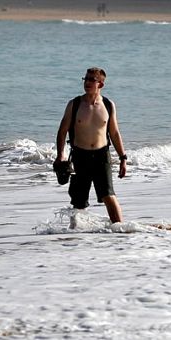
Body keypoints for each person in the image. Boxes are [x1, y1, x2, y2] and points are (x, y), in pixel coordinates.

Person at [55, 67, 128, 226]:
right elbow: (62, 132)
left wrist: (123, 158)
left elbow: (114, 134)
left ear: (100, 84)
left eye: (91, 80)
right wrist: (61, 155)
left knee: (108, 195)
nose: (87, 82)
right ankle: (76, 236)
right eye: (85, 79)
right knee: (79, 201)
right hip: (80, 157)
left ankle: (120, 231)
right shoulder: (74, 104)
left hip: (102, 156)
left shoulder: (108, 105)